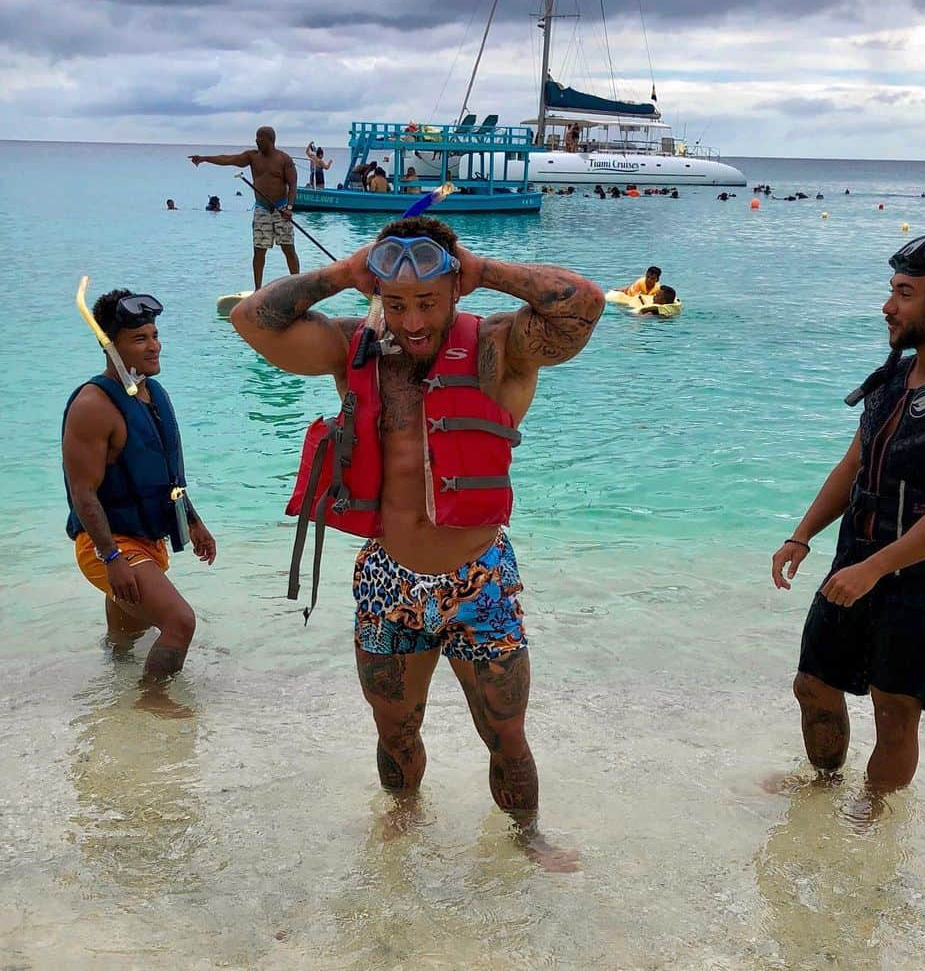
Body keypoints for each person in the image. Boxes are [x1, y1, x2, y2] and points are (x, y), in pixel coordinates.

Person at [230, 217, 604, 869]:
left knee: (505, 732)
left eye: (428, 301)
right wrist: (341, 274)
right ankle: (403, 813)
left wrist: (483, 267)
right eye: (396, 303)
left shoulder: (499, 347)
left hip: (478, 579)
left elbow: (583, 304)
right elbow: (251, 320)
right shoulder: (356, 348)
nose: (412, 319)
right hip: (387, 580)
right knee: (393, 729)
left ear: (454, 291)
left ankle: (525, 835)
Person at [771, 224, 925, 801]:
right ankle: (823, 783)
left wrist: (876, 569)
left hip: (923, 581)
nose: (888, 306)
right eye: (892, 289)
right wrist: (802, 535)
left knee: (895, 709)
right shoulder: (892, 379)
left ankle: (874, 814)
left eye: (905, 293)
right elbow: (854, 463)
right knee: (813, 687)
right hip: (855, 559)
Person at [62, 289, 217, 693]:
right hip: (108, 544)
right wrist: (112, 557)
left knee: (125, 640)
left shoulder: (153, 393)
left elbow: (165, 472)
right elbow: (83, 492)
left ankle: (110, 698)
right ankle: (153, 702)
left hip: (147, 538)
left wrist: (195, 522)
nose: (154, 346)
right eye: (140, 339)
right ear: (110, 347)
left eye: (155, 335)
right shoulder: (93, 406)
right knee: (180, 622)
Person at [189, 126, 299, 290]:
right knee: (259, 251)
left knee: (288, 248)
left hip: (281, 208)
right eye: (256, 138)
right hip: (262, 209)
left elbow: (293, 185)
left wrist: (289, 208)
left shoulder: (284, 159)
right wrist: (205, 158)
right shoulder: (252, 157)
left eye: (259, 138)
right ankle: (257, 289)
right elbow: (228, 159)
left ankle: (297, 284)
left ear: (270, 140)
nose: (256, 141)